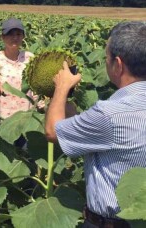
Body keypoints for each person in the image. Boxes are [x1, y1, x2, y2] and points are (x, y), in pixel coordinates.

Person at [45, 21, 146, 227]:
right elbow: (89, 127)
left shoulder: (108, 114)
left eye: (106, 59)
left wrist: (61, 89)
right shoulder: (109, 114)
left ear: (118, 65)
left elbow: (52, 131)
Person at [0, 18, 35, 122]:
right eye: (10, 34)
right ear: (2, 37)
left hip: (26, 119)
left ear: (23, 36)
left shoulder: (30, 58)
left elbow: (36, 89)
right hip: (1, 119)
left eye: (18, 34)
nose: (15, 37)